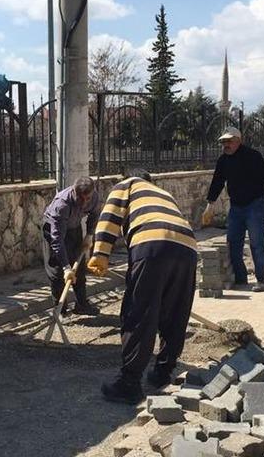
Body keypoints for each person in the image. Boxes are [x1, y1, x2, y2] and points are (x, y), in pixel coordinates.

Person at [87, 169, 197, 405]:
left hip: (152, 245)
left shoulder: (127, 185)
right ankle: (163, 372)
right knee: (175, 313)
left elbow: (109, 217)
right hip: (187, 248)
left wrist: (101, 253)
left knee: (140, 312)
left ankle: (129, 384)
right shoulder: (164, 194)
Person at [201, 127, 264, 293]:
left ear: (238, 141)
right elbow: (217, 183)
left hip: (255, 204)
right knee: (233, 243)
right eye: (223, 142)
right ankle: (240, 278)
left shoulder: (252, 156)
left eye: (229, 141)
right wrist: (210, 206)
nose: (225, 145)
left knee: (257, 242)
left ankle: (263, 280)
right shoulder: (223, 161)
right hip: (236, 206)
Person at [41, 176, 101, 315]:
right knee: (57, 271)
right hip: (53, 230)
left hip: (74, 227)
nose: (84, 202)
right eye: (81, 198)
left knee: (79, 266)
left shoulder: (94, 197)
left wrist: (89, 235)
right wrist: (66, 267)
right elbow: (57, 240)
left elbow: (94, 214)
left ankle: (81, 305)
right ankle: (60, 309)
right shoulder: (61, 205)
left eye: (87, 198)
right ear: (74, 191)